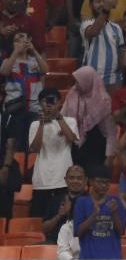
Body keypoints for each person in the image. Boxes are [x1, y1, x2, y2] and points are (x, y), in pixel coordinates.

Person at [74, 167, 126, 260]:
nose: (104, 186)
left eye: (107, 183)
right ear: (91, 181)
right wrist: (93, 216)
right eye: (100, 182)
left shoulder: (115, 202)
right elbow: (77, 232)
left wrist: (114, 214)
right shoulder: (81, 202)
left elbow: (121, 231)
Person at [27, 89, 79, 222]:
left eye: (52, 101)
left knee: (62, 221)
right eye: (45, 101)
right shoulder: (35, 124)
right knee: (39, 222)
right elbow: (35, 148)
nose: (48, 105)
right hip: (41, 180)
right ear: (40, 104)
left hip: (62, 179)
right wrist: (42, 125)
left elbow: (72, 139)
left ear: (59, 103)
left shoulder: (70, 121)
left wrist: (59, 118)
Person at [81, 0, 126, 90]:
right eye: (98, 1)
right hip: (91, 78)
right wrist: (106, 9)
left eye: (104, 1)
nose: (102, 4)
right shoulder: (86, 23)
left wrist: (121, 74)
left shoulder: (116, 27)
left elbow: (121, 53)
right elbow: (94, 32)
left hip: (114, 79)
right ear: (91, 5)